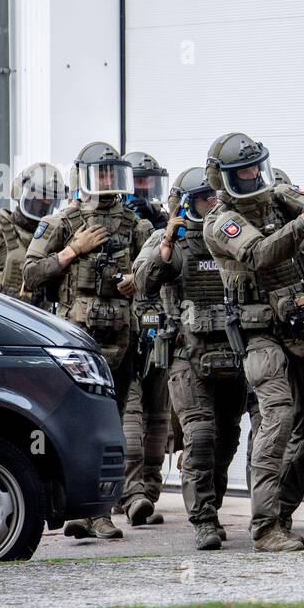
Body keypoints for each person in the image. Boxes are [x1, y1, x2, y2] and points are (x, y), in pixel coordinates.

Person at [201, 132, 304, 552]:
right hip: (259, 332)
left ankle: (281, 508)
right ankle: (265, 527)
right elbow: (259, 254)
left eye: (256, 167)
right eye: (243, 171)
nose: (253, 175)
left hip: (300, 323)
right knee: (277, 418)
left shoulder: (278, 198)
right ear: (224, 178)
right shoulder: (220, 221)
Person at [23, 141, 154, 540]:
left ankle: (104, 510)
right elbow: (31, 273)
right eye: (101, 172)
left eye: (113, 172)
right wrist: (71, 252)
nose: (107, 180)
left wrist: (138, 281)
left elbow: (160, 273)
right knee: (77, 428)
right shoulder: (63, 222)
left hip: (123, 342)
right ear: (84, 176)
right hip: (76, 346)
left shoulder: (136, 225)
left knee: (115, 430)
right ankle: (81, 510)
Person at [136, 167, 243, 550]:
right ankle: (203, 520)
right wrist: (167, 242)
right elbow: (143, 283)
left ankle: (212, 504)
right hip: (186, 352)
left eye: (215, 196)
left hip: (232, 350)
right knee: (200, 436)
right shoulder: (166, 239)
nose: (211, 203)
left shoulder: (229, 234)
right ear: (185, 202)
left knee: (227, 438)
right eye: (203, 198)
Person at [117, 150, 173, 526]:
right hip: (125, 332)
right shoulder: (111, 225)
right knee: (131, 418)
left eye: (149, 184)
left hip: (162, 329)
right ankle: (131, 491)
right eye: (137, 183)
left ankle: (148, 494)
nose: (143, 191)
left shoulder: (167, 226)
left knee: (160, 418)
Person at [0, 163, 65, 305]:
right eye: (40, 197)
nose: (45, 204)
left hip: (33, 319)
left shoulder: (51, 241)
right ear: (21, 193)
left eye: (50, 200)